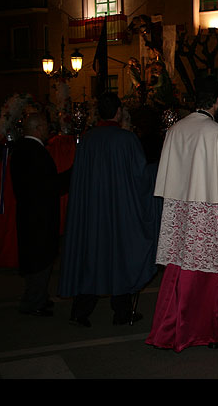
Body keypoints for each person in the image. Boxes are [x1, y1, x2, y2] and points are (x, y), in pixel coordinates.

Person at [146, 75, 218, 352]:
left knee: (179, 269)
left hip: (181, 211)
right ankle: (215, 332)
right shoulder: (216, 133)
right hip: (208, 213)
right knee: (210, 274)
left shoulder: (176, 130)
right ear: (217, 102)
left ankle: (169, 329)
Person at [57, 92, 161, 327]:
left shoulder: (87, 139)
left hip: (93, 213)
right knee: (120, 257)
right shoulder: (126, 140)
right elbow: (141, 178)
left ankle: (80, 311)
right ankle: (122, 313)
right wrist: (159, 169)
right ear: (117, 112)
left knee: (92, 256)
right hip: (118, 212)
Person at [10, 112, 71, 316]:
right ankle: (34, 302)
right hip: (40, 216)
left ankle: (37, 297)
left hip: (28, 213)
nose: (48, 128)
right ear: (37, 128)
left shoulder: (19, 149)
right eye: (45, 125)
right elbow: (49, 185)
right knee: (41, 259)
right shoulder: (36, 151)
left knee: (34, 257)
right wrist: (72, 174)